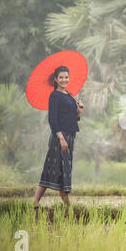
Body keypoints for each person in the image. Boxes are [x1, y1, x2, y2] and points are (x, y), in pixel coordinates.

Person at [33, 66, 84, 218]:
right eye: (61, 77)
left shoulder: (69, 95)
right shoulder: (54, 96)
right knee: (56, 168)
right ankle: (63, 204)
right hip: (59, 137)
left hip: (70, 136)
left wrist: (79, 112)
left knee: (60, 169)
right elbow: (53, 120)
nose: (64, 80)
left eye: (66, 77)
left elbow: (71, 118)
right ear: (55, 79)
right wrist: (61, 138)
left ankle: (42, 202)